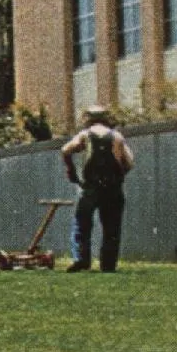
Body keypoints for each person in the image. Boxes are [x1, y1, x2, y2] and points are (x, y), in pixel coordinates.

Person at [61, 105, 135, 273]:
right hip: (113, 188)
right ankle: (108, 264)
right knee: (111, 228)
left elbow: (65, 150)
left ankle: (81, 259)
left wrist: (71, 171)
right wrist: (118, 176)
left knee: (82, 223)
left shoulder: (85, 135)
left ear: (88, 119)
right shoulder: (117, 136)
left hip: (91, 187)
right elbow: (130, 162)